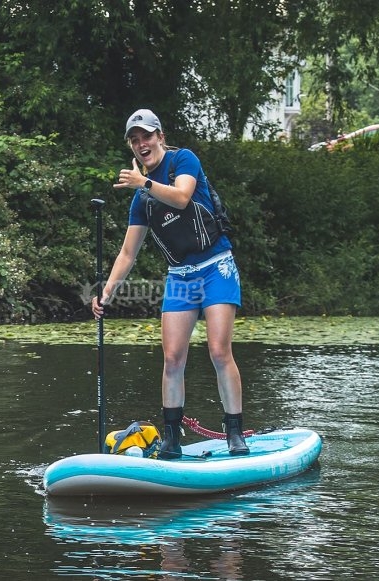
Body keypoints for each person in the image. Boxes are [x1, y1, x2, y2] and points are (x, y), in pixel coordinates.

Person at [91, 108, 249, 458]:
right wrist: (106, 292)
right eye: (134, 140)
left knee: (219, 351)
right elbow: (127, 254)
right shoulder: (140, 201)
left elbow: (181, 197)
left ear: (160, 136)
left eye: (146, 136)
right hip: (181, 277)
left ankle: (235, 431)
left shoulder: (184, 161)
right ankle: (172, 438)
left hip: (215, 267)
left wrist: (142, 182)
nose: (141, 144)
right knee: (172, 358)